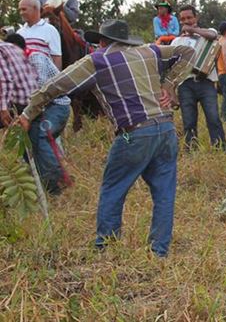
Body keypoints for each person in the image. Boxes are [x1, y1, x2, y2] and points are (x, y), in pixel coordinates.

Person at [16, 19, 194, 257]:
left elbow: (55, 86)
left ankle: (106, 246)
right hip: (166, 128)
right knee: (164, 192)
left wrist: (28, 113)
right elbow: (187, 52)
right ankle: (159, 251)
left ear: (101, 41)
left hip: (134, 132)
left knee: (113, 188)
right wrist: (169, 84)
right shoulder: (149, 51)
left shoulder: (97, 60)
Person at [4, 33, 71, 194]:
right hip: (35, 109)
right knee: (27, 142)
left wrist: (25, 115)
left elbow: (39, 91)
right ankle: (41, 182)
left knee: (41, 136)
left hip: (56, 106)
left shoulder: (36, 58)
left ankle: (56, 184)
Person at [171, 5, 226, 149]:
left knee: (213, 118)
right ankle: (191, 150)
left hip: (206, 82)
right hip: (185, 85)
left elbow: (214, 36)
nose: (186, 21)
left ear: (196, 18)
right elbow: (172, 67)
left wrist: (194, 30)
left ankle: (220, 147)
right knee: (189, 121)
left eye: (189, 17)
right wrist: (172, 92)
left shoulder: (207, 33)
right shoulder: (176, 42)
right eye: (183, 19)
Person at [0, 37, 39, 131]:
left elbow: (5, 80)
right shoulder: (10, 46)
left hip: (19, 104)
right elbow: (34, 75)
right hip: (33, 101)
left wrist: (3, 109)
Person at [17, 0, 63, 69]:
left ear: (35, 9)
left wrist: (57, 75)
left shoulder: (50, 30)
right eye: (20, 10)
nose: (21, 13)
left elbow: (56, 58)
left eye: (24, 9)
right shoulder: (19, 32)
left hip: (45, 75)